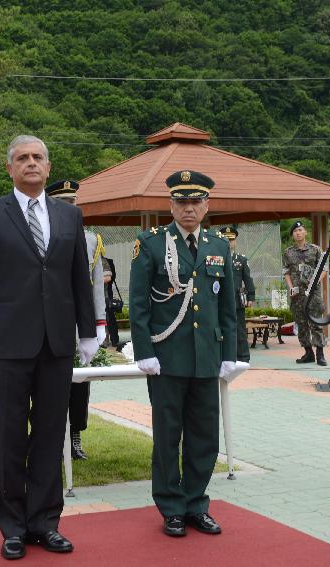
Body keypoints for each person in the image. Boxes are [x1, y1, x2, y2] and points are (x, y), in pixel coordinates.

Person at [0, 135, 97, 560]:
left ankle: (45, 523)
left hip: (56, 343)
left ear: (48, 167)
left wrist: (87, 332)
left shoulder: (70, 217)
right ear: (10, 169)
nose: (31, 163)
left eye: (38, 157)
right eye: (23, 158)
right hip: (8, 346)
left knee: (51, 434)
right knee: (11, 436)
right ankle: (13, 527)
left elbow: (78, 280)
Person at [129, 170, 238, 538]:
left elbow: (228, 306)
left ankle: (196, 503)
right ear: (170, 205)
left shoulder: (219, 245)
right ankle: (171, 508)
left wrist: (231, 353)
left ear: (207, 206)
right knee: (167, 436)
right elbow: (139, 303)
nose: (188, 209)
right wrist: (144, 351)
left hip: (207, 357)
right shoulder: (152, 243)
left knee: (205, 436)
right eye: (181, 202)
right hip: (167, 358)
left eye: (195, 202)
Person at [44, 179, 107, 461]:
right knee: (48, 385)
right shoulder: (41, 233)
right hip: (48, 322)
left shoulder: (90, 239)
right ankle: (51, 438)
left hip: (78, 324)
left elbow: (95, 286)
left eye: (73, 202)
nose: (71, 207)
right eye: (64, 202)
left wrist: (99, 323)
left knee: (80, 384)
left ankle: (76, 435)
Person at [282, 220, 326, 366]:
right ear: (293, 235)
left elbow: (324, 269)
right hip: (297, 294)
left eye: (300, 230)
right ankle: (308, 352)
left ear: (305, 232)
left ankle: (320, 353)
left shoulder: (315, 250)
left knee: (316, 322)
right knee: (301, 323)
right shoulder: (288, 252)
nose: (298, 233)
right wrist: (290, 287)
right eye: (295, 231)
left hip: (313, 292)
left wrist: (315, 282)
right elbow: (286, 272)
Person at [220, 225, 255, 362]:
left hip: (236, 300)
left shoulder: (241, 259)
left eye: (231, 239)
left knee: (239, 329)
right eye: (225, 239)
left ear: (235, 241)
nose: (229, 242)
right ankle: (223, 356)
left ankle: (243, 357)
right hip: (219, 300)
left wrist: (251, 296)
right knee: (220, 329)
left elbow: (248, 279)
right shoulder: (215, 258)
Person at [102, 257, 121, 347]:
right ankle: (105, 340)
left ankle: (114, 340)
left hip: (105, 295)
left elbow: (108, 278)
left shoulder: (103, 261)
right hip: (98, 295)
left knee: (109, 318)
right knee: (105, 318)